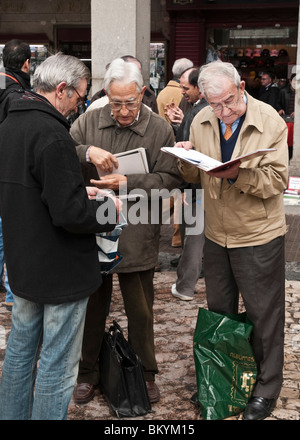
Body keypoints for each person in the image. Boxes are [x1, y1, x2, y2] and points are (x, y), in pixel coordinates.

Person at [0, 53, 120, 420]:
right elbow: (68, 214)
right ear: (62, 90)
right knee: (57, 362)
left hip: (24, 262)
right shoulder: (52, 133)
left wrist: (74, 192)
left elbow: (32, 191)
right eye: (80, 97)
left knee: (20, 352)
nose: (79, 105)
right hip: (60, 269)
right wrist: (109, 211)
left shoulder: (9, 124)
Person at [176, 60, 288, 420]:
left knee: (263, 315)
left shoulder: (268, 119)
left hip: (257, 233)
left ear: (241, 87)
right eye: (214, 105)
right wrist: (186, 157)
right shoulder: (201, 118)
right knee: (220, 313)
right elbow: (193, 175)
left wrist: (238, 174)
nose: (222, 112)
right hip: (216, 234)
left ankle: (267, 386)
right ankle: (223, 381)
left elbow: (276, 181)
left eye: (228, 102)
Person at [70, 57, 183, 405]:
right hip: (94, 227)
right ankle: (87, 373)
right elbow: (58, 152)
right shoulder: (88, 121)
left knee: (141, 309)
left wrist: (129, 181)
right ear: (107, 94)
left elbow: (172, 179)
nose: (121, 110)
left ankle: (145, 373)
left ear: (142, 93)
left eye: (129, 103)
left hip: (137, 228)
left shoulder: (159, 128)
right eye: (115, 102)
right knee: (92, 306)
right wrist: (85, 150)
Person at [165, 67, 208, 300]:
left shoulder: (196, 113)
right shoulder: (201, 111)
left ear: (199, 87)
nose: (182, 93)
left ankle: (185, 287)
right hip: (211, 186)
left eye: (185, 88)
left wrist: (181, 188)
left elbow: (182, 151)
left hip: (196, 187)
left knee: (193, 238)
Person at [0, 39, 32, 309]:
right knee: (9, 230)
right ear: (26, 64)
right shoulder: (16, 93)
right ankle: (12, 294)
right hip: (7, 168)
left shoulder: (3, 83)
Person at [89, 55, 158, 113]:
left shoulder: (149, 95)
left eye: (130, 103)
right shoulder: (98, 98)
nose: (124, 112)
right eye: (117, 103)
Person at [276, 73, 296, 160]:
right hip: (285, 120)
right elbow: (277, 103)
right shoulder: (283, 91)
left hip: (296, 122)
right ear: (290, 81)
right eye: (294, 81)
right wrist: (280, 109)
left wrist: (297, 112)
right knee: (284, 142)